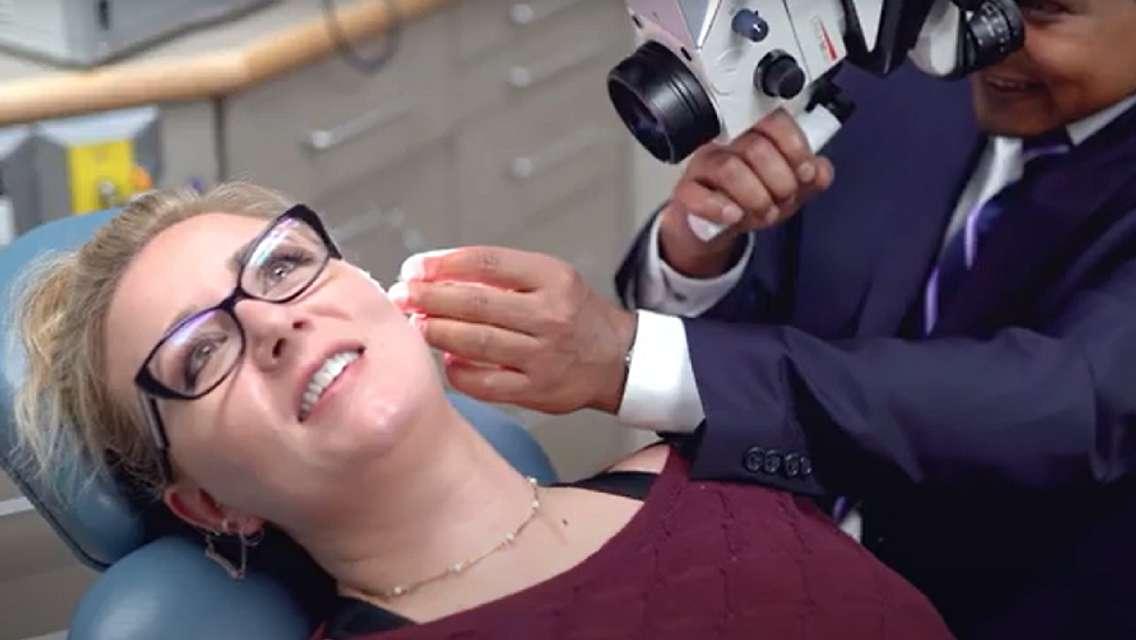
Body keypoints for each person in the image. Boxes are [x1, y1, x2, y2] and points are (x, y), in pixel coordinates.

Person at [386, 1, 1136, 636]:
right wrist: (700, 249)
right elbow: (782, 347)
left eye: (1041, 9)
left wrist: (629, 358)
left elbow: (1063, 406)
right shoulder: (913, 57)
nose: (983, 32)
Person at [7, 183, 951, 639]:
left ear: (380, 291)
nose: (272, 322)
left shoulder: (711, 461)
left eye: (283, 265)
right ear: (214, 507)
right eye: (200, 353)